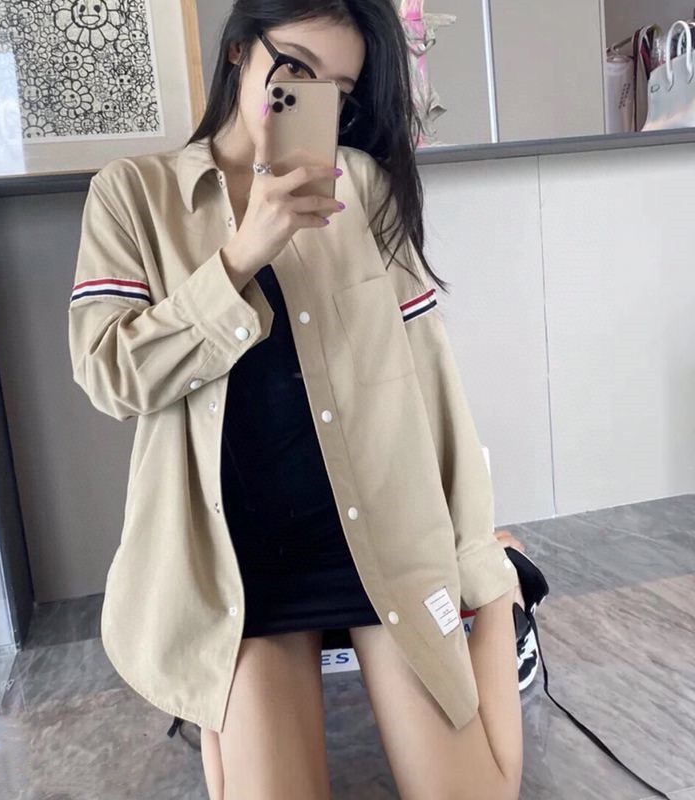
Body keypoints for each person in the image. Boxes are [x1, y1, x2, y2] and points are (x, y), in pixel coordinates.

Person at [68, 2, 536, 798]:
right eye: (294, 71)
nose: (311, 99)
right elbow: (110, 374)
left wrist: (476, 561)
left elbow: (429, 383)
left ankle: (508, 577)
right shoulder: (134, 195)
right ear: (239, 51)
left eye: (338, 88)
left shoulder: (364, 188)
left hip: (383, 536)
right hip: (239, 566)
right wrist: (243, 253)